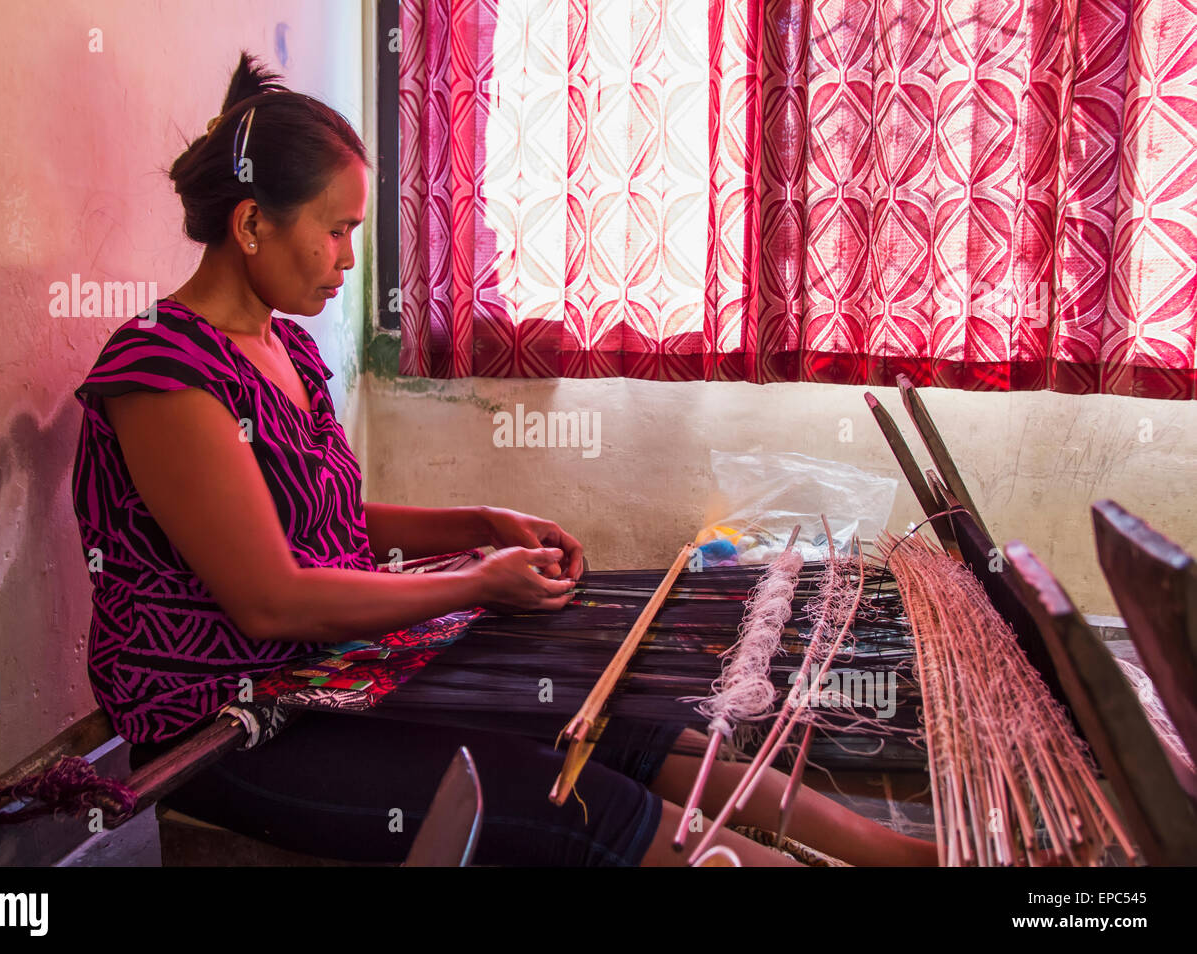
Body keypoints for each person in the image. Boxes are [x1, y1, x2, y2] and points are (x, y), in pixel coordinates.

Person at [70, 51, 936, 867]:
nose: (347, 258)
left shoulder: (281, 348)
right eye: (334, 231)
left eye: (353, 232)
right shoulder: (162, 375)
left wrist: (478, 523)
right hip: (235, 725)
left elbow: (326, 529)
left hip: (327, 672)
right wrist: (481, 581)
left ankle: (897, 855)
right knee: (563, 798)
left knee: (606, 704)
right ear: (252, 223)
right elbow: (270, 598)